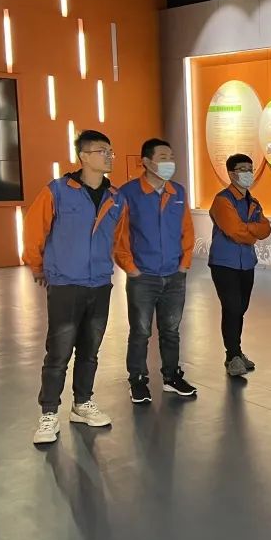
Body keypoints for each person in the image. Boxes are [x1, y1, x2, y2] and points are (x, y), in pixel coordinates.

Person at [24, 130, 126, 444]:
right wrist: (37, 265)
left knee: (90, 350)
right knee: (58, 352)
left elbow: (120, 239)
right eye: (101, 151)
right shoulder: (57, 191)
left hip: (100, 284)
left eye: (110, 151)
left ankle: (82, 404)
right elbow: (34, 229)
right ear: (83, 156)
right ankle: (49, 413)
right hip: (66, 283)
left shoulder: (116, 197)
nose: (108, 156)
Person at [114, 138, 197, 404]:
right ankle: (138, 380)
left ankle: (172, 377)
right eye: (163, 157)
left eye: (171, 157)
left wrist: (184, 264)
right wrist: (131, 269)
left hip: (174, 275)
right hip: (143, 277)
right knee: (140, 332)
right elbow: (120, 235)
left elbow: (187, 230)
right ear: (146, 162)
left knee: (171, 330)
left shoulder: (178, 192)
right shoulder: (128, 193)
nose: (169, 162)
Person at [208, 154, 271, 377]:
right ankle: (232, 355)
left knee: (241, 309)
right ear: (231, 173)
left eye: (250, 169)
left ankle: (236, 352)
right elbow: (234, 231)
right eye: (242, 169)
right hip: (225, 263)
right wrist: (251, 230)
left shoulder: (253, 202)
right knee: (232, 308)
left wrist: (248, 230)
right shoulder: (222, 200)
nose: (248, 173)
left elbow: (266, 229)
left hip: (247, 264)